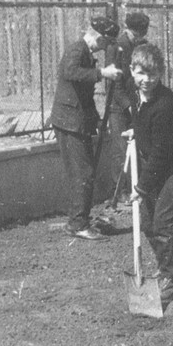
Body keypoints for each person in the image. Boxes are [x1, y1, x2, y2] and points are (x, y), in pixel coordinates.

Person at [49, 16, 123, 240]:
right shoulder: (77, 49)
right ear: (99, 37)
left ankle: (78, 219)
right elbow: (70, 72)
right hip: (69, 122)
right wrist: (102, 73)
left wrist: (97, 120)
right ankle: (78, 224)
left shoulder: (86, 53)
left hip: (77, 121)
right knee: (83, 173)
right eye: (106, 42)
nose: (105, 47)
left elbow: (85, 95)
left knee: (82, 173)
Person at [129, 43, 173, 302]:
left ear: (161, 73)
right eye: (141, 73)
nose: (147, 80)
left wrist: (141, 187)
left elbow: (161, 153)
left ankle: (171, 278)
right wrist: (136, 132)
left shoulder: (165, 105)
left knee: (164, 223)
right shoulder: (137, 96)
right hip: (153, 166)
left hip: (171, 168)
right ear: (132, 70)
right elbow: (144, 121)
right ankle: (164, 267)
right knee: (148, 223)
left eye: (152, 74)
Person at [106, 11, 150, 206]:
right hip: (118, 107)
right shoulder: (118, 47)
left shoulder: (140, 46)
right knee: (120, 150)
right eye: (139, 33)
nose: (141, 37)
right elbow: (114, 86)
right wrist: (128, 106)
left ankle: (138, 189)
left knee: (139, 148)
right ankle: (119, 192)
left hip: (135, 103)